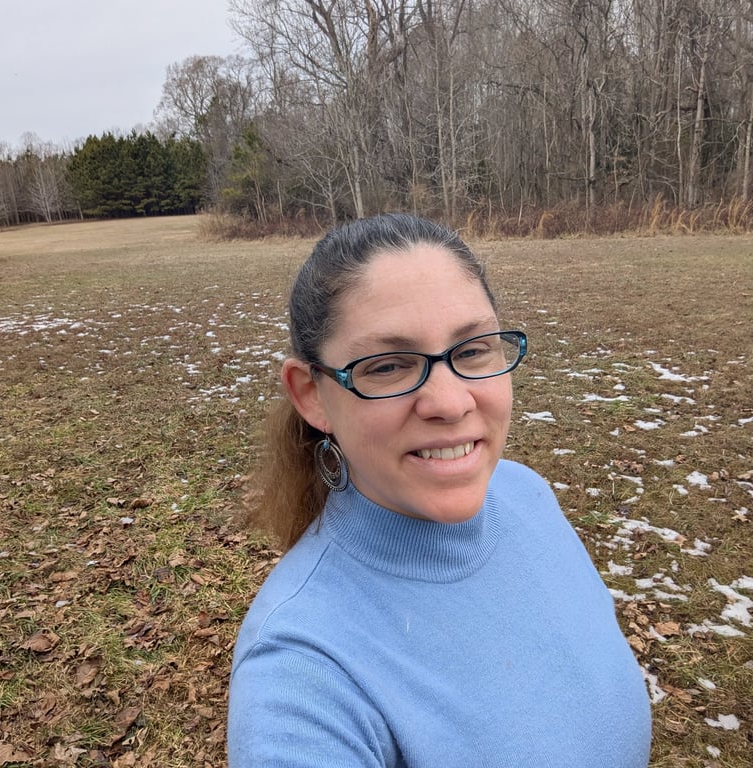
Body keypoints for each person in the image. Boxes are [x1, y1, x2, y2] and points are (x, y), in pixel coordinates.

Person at [227, 213, 652, 767]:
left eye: (473, 350)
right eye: (388, 366)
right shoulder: (300, 673)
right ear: (312, 397)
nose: (451, 403)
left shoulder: (526, 494)